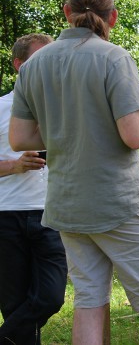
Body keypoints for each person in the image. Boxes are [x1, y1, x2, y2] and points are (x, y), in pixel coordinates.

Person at [8, 0, 139, 345]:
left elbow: (20, 139)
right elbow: (134, 134)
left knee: (89, 302)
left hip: (67, 206)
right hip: (119, 203)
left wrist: (66, 131)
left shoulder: (34, 65)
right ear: (113, 17)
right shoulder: (113, 57)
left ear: (67, 13)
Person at [0, 33, 67, 345]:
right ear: (18, 65)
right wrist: (14, 165)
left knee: (51, 298)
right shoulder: (1, 108)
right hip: (5, 217)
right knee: (14, 306)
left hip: (51, 215)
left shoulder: (66, 108)